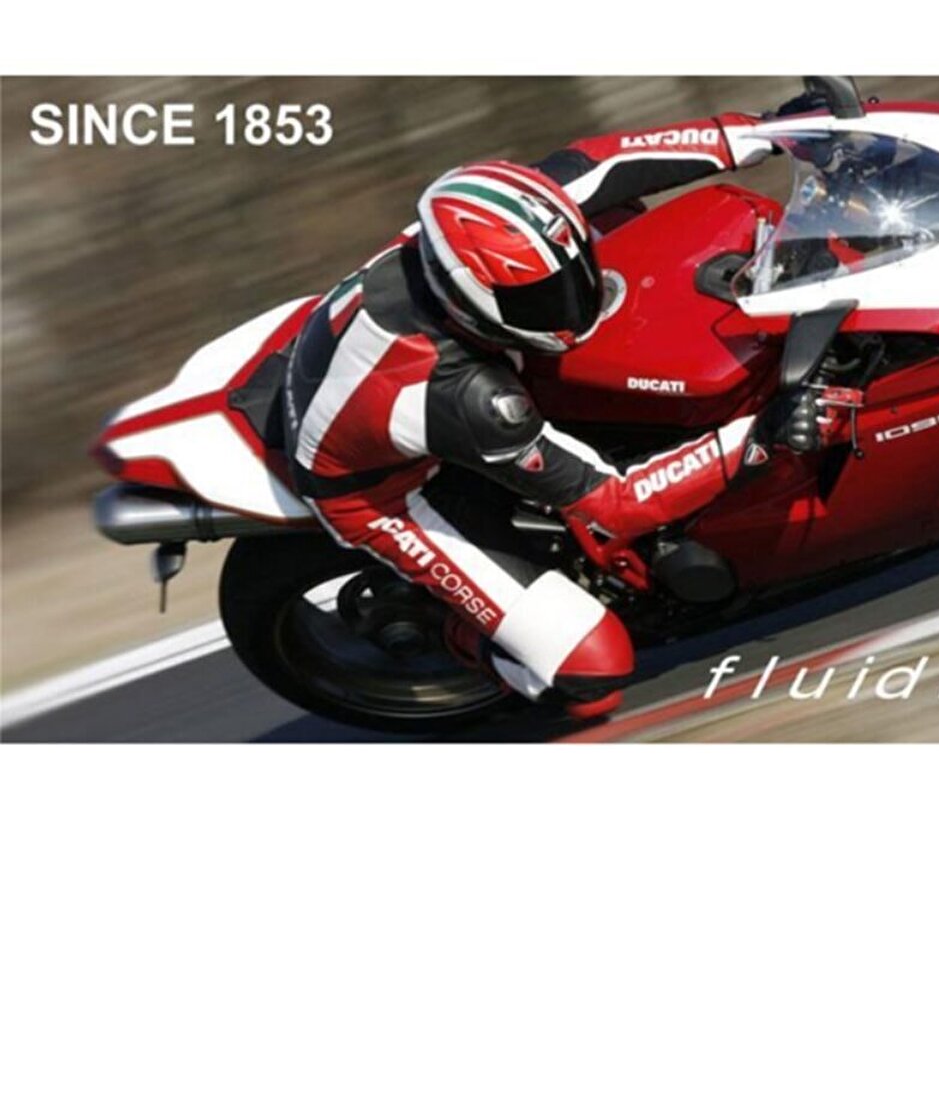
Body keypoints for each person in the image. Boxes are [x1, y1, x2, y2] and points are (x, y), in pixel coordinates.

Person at [281, 113, 778, 716]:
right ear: (468, 298)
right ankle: (461, 637)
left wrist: (765, 131)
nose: (570, 305)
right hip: (381, 494)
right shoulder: (470, 396)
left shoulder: (503, 218)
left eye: (568, 279)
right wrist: (761, 435)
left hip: (367, 378)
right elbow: (616, 502)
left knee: (616, 209)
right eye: (538, 300)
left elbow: (608, 159)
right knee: (592, 675)